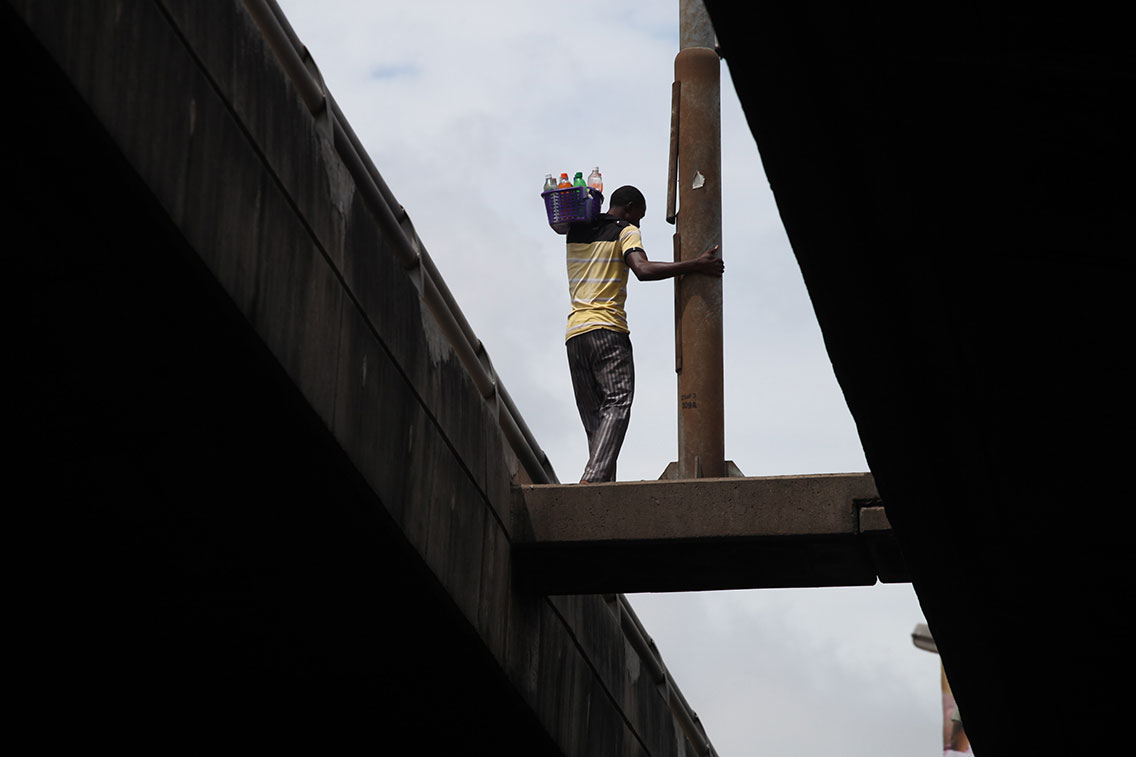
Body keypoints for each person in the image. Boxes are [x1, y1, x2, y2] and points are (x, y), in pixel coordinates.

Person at [564, 185, 724, 483]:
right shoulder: (625, 230)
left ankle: (601, 487)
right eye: (640, 215)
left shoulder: (575, 232)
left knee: (595, 419)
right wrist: (695, 265)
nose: (639, 222)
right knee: (617, 403)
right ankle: (592, 480)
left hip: (575, 334)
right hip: (607, 329)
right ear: (628, 207)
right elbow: (642, 269)